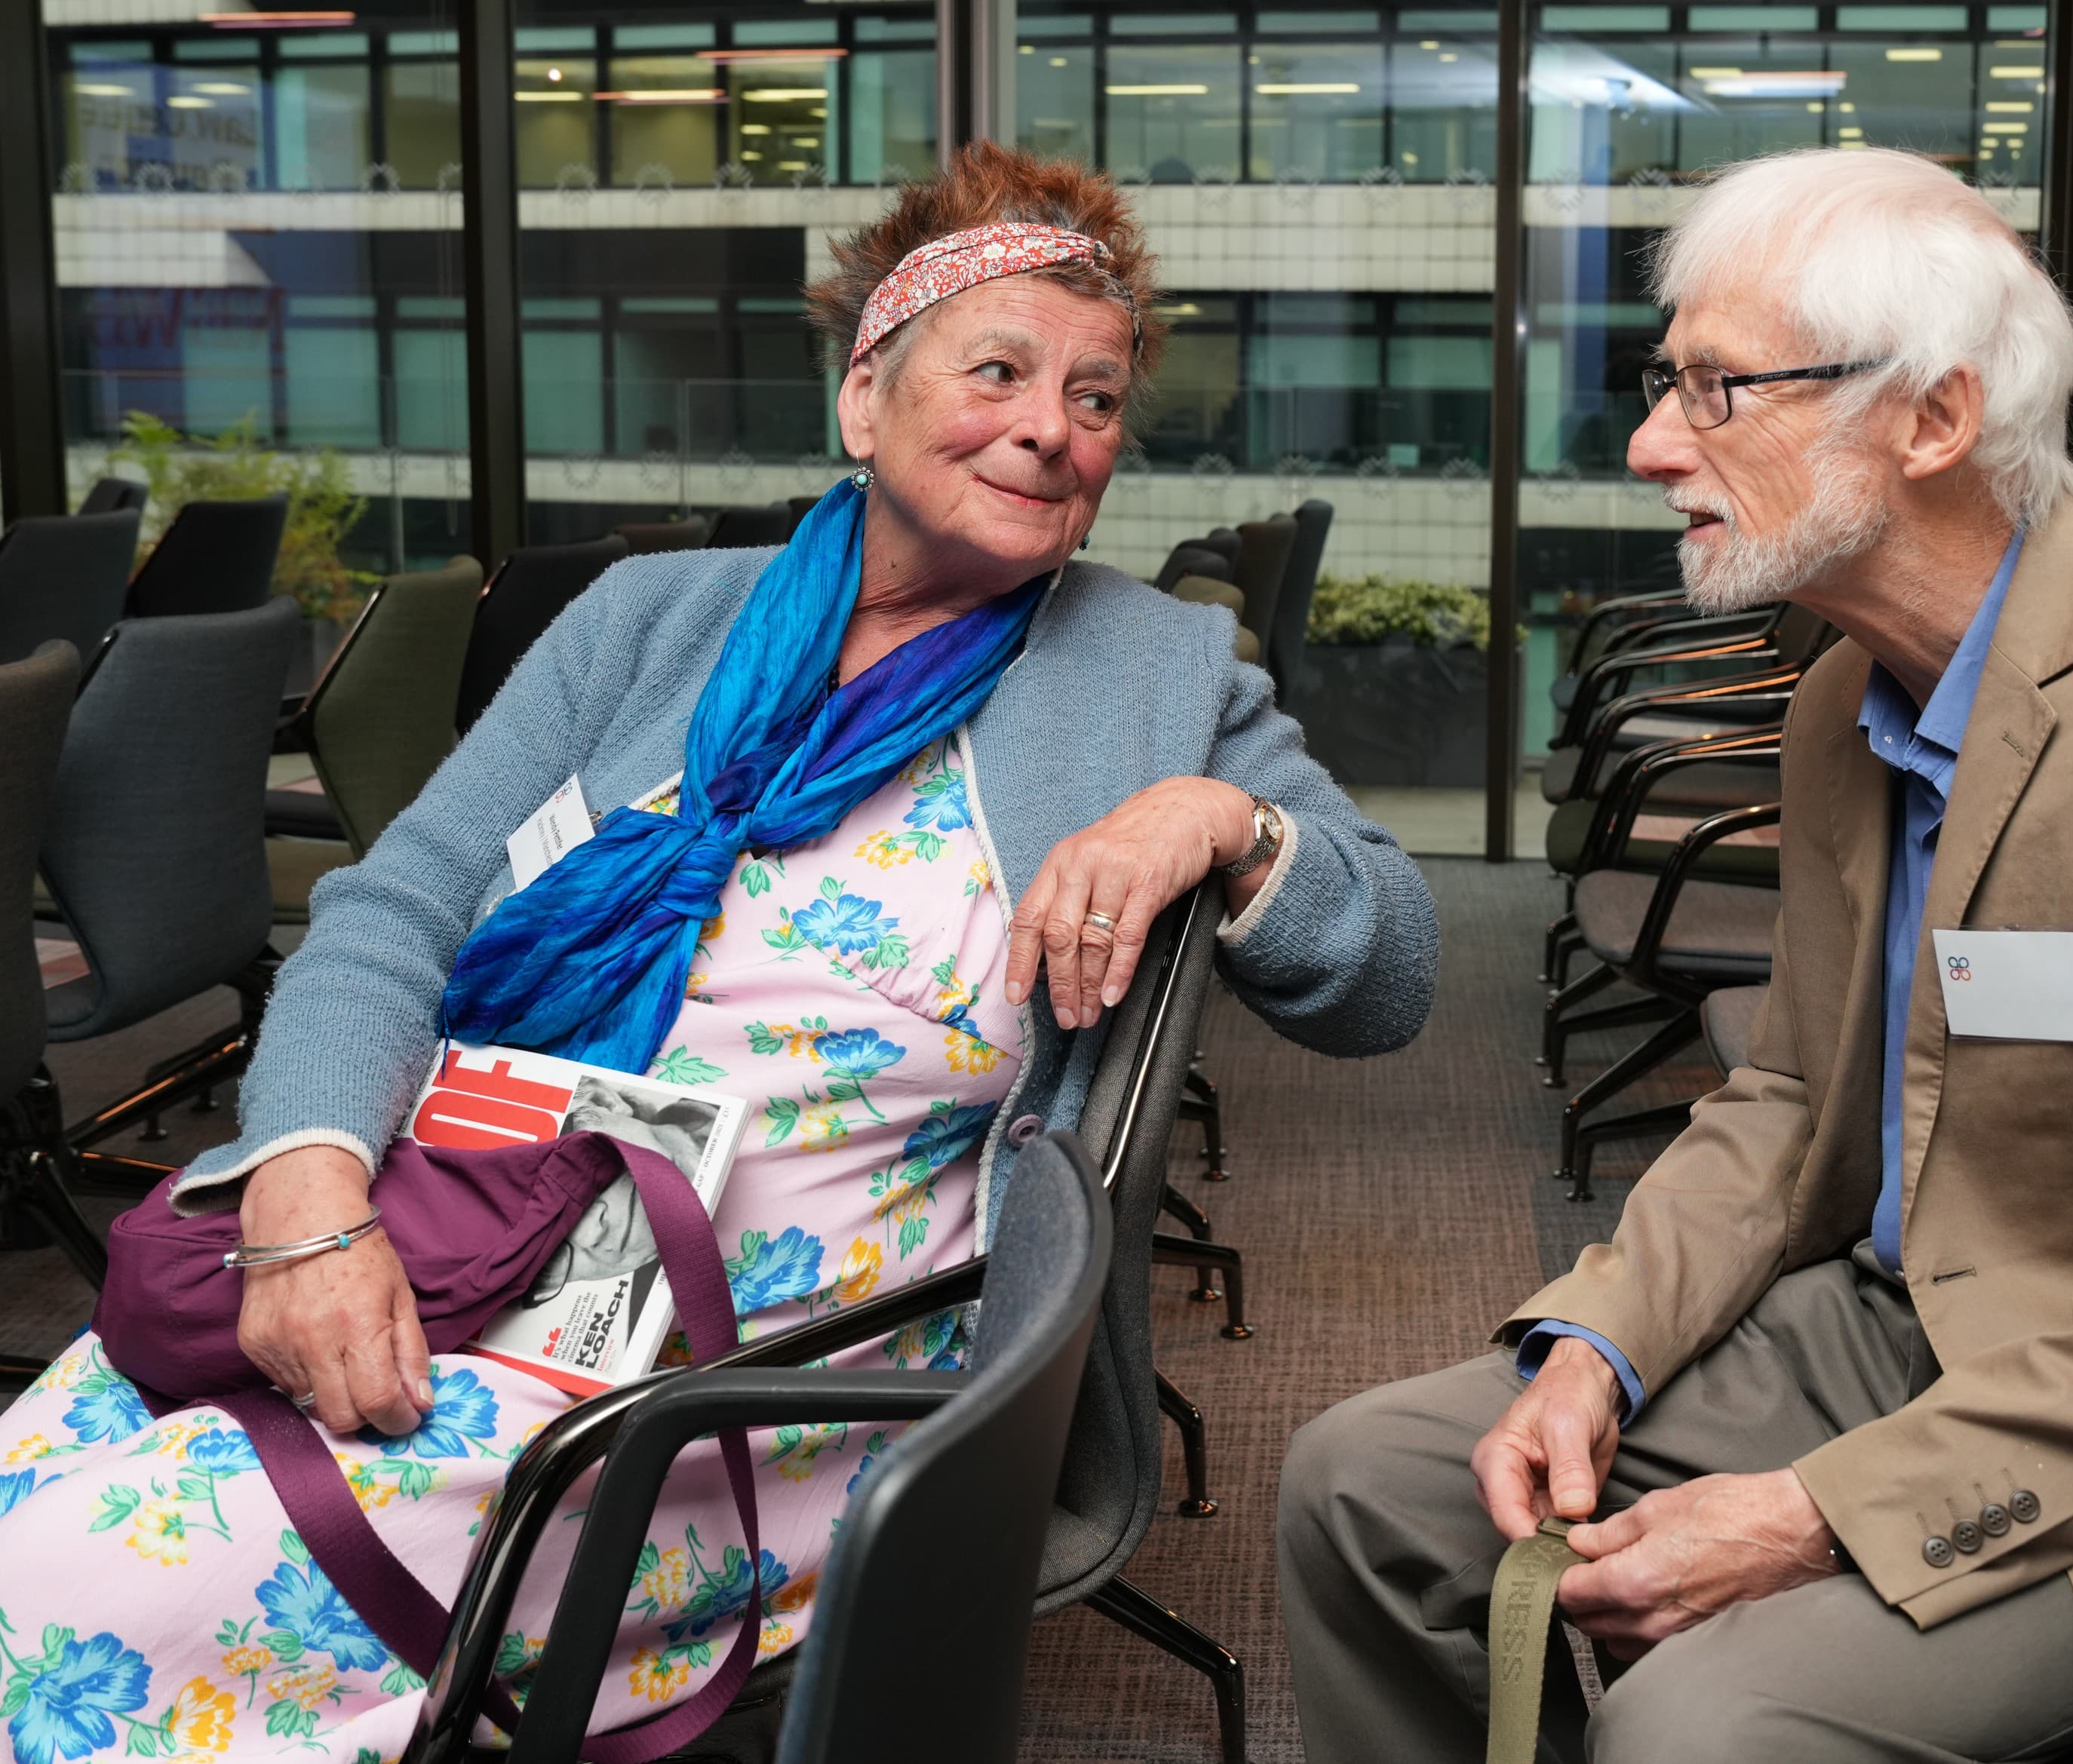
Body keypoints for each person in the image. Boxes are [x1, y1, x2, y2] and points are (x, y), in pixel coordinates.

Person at [0, 142, 1435, 1759]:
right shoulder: (645, 622)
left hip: (763, 1365)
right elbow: (393, 913)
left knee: (81, 1583)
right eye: (1000, 372)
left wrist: (1221, 826)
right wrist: (310, 1181)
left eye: (1095, 399)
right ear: (862, 400)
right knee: (48, 1469)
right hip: (464, 1222)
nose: (1050, 426)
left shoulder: (1153, 677)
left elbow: (1389, 978)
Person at [1278, 146, 2073, 1764]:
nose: (1644, 445)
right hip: (1919, 1320)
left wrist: (1817, 1515)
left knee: (1708, 1722)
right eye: (1659, 382)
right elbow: (1785, 1101)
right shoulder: (1848, 696)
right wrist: (1592, 1341)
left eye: (1712, 390)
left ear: (1929, 417)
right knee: (1369, 1488)